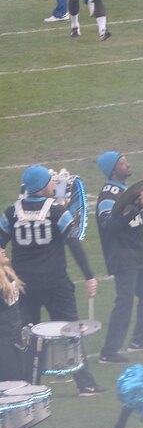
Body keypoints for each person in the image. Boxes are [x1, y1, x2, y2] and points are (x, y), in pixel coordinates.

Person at [6, 165, 102, 394]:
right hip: (55, 283)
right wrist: (89, 275)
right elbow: (74, 244)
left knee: (28, 337)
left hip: (24, 285)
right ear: (41, 186)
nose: (53, 184)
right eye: (50, 182)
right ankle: (85, 383)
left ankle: (30, 385)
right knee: (71, 332)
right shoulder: (56, 211)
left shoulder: (11, 212)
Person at [93, 152, 143, 363]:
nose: (127, 164)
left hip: (136, 251)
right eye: (122, 163)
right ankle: (108, 351)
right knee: (124, 302)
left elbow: (140, 221)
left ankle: (140, 339)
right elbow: (109, 225)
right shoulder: (108, 196)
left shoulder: (126, 191)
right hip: (121, 255)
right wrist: (135, 208)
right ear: (113, 169)